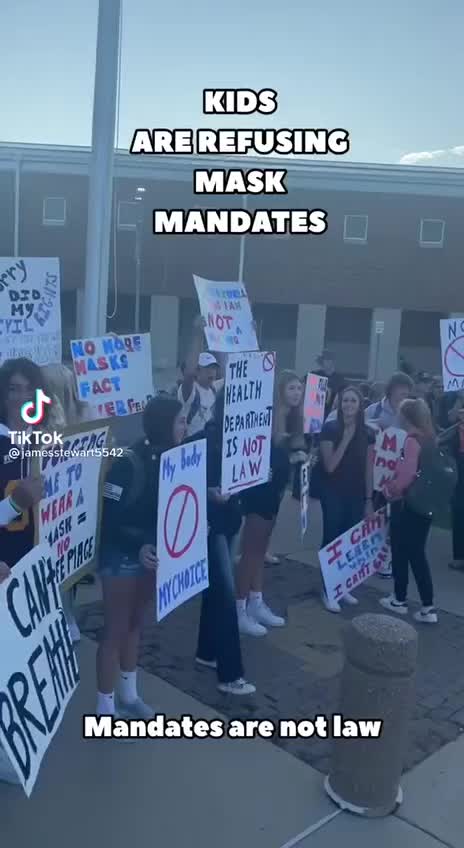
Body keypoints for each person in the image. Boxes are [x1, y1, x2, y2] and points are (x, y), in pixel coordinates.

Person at [96, 395, 186, 719]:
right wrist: (139, 547)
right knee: (115, 630)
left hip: (151, 557)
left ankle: (129, 695)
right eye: (180, 421)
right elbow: (107, 519)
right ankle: (104, 710)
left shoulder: (176, 459)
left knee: (135, 625)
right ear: (165, 424)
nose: (185, 427)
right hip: (120, 557)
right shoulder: (127, 463)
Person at [236, 371, 306, 636]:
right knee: (251, 552)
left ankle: (256, 601)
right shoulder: (267, 417)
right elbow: (262, 454)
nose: (296, 393)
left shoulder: (294, 419)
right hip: (259, 491)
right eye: (291, 388)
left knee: (261, 549)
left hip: (275, 492)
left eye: (299, 388)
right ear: (280, 391)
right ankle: (239, 608)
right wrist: (288, 457)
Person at [196, 389, 255, 695]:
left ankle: (206, 652)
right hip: (212, 525)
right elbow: (186, 479)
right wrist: (209, 492)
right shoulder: (204, 440)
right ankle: (230, 674)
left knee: (215, 589)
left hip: (231, 520)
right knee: (225, 593)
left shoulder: (248, 437)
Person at [380, 398, 438, 624]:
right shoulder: (431, 440)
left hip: (406, 505)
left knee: (401, 550)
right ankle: (428, 606)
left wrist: (390, 489)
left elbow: (406, 474)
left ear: (406, 417)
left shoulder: (411, 441)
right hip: (426, 507)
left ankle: (399, 599)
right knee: (418, 554)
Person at [319, 385, 376, 613]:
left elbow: (369, 469)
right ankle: (327, 589)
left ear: (360, 405)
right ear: (339, 404)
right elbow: (330, 466)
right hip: (332, 492)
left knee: (348, 542)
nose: (349, 405)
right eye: (345, 401)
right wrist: (346, 438)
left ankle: (342, 586)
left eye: (353, 401)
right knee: (332, 539)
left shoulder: (368, 433)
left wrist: (369, 499)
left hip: (356, 493)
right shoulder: (330, 429)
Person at [0, 358, 52, 568]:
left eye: (30, 389)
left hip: (39, 567)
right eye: (14, 389)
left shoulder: (46, 441)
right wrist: (14, 504)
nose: (23, 397)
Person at [178, 317, 223, 438]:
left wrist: (249, 337)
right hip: (191, 448)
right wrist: (198, 335)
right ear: (197, 370)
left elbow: (236, 377)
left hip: (209, 447)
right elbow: (188, 373)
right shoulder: (191, 391)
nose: (211, 372)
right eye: (207, 368)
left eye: (214, 368)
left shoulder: (214, 388)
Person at [314, 350, 345, 415]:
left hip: (332, 411)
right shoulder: (315, 374)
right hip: (315, 410)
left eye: (328, 360)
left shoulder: (339, 378)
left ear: (333, 362)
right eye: (324, 360)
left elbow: (343, 393)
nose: (326, 362)